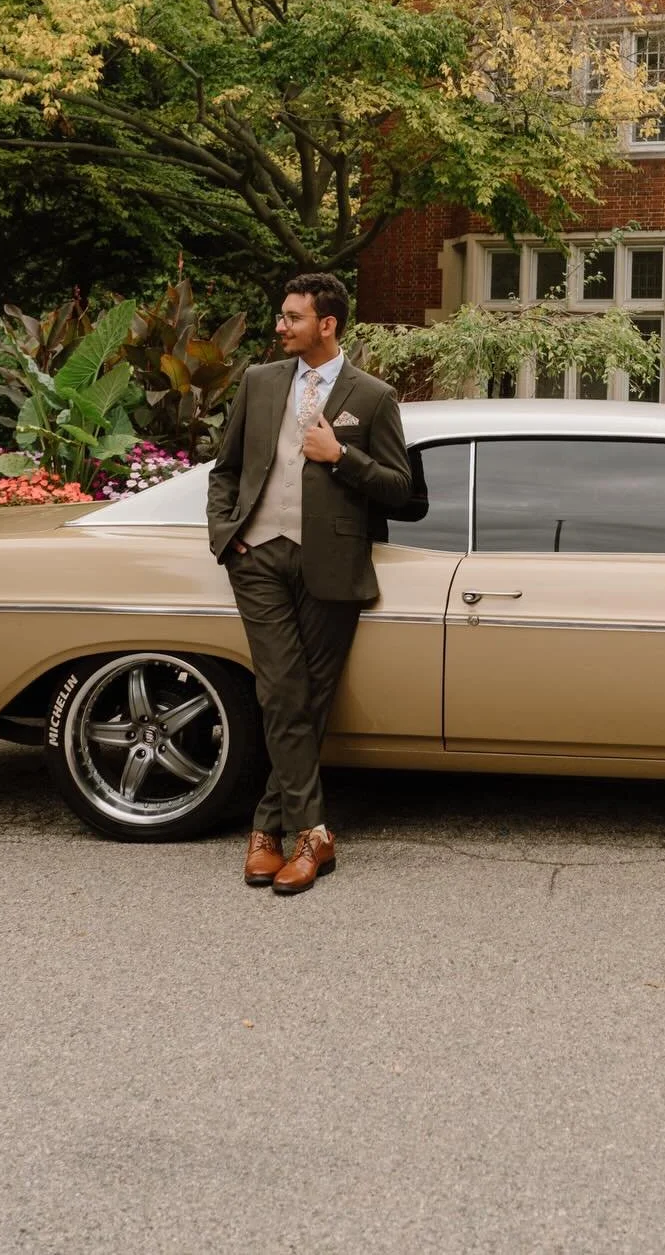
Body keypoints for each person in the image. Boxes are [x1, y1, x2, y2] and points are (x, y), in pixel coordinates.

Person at [207, 272, 412, 895]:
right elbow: (227, 469)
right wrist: (228, 537)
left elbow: (404, 492)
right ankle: (313, 834)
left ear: (327, 324)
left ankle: (268, 829)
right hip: (260, 558)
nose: (280, 326)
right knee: (281, 692)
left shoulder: (373, 397)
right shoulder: (260, 382)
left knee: (308, 701)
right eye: (281, 315)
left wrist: (341, 457)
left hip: (332, 564)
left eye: (292, 317)